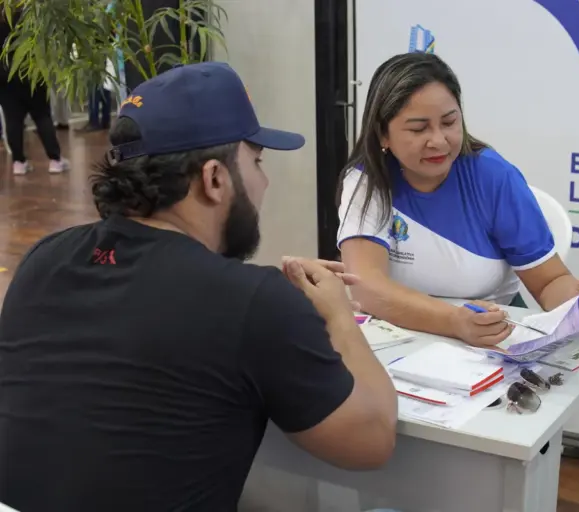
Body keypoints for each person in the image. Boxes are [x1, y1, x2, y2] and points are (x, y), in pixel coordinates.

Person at [0, 62, 397, 511]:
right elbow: (373, 440)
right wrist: (339, 315)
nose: (264, 182)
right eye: (257, 162)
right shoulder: (253, 301)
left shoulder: (41, 260)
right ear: (214, 178)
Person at [337, 52, 579, 347]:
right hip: (397, 340)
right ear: (383, 135)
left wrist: (576, 301)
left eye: (449, 122)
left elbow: (549, 283)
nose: (439, 141)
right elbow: (366, 286)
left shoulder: (494, 177)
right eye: (418, 128)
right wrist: (453, 321)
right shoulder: (367, 180)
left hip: (486, 344)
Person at [0, 10, 69, 175]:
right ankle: (55, 160)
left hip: (3, 75)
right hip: (30, 70)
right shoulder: (28, 11)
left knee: (13, 119)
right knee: (42, 115)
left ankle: (18, 162)